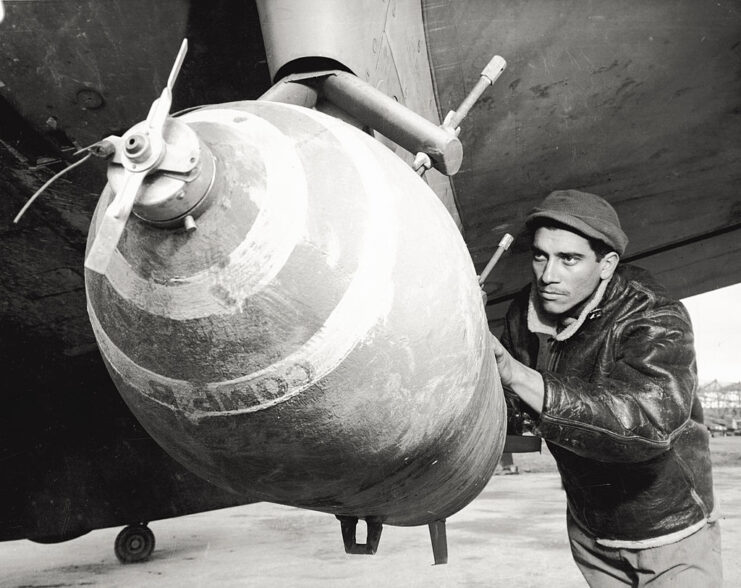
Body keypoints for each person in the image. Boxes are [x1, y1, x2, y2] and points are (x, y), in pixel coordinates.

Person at [490, 190, 722, 586]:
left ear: (607, 264)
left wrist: (517, 375)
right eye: (541, 255)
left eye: (569, 259)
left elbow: (645, 424)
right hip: (590, 530)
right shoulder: (524, 311)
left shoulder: (655, 316)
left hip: (668, 533)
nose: (548, 275)